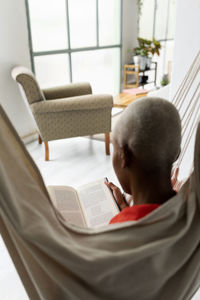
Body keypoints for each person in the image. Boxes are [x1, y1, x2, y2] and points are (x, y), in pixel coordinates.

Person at [105, 97, 181, 224]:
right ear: (176, 153)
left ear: (124, 156)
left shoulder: (118, 229)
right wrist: (123, 206)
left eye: (114, 148)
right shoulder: (189, 209)